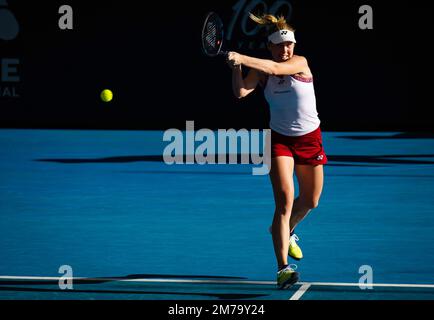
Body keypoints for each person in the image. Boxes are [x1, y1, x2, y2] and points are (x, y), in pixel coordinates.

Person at [227, 13, 328, 289]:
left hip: (310, 140)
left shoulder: (300, 63)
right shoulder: (261, 68)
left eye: (289, 45)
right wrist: (235, 66)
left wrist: (242, 57)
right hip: (280, 141)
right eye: (280, 46)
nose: (286, 50)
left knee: (310, 200)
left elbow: (275, 70)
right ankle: (283, 269)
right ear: (270, 47)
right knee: (284, 202)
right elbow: (241, 92)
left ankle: (283, 231)